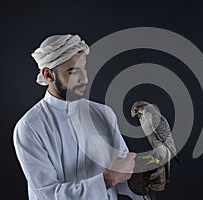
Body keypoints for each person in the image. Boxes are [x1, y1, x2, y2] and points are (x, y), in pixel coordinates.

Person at [13, 34, 166, 200]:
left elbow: (122, 175)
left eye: (84, 69)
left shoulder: (103, 114)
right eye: (73, 72)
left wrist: (142, 179)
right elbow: (47, 195)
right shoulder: (29, 127)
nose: (84, 79)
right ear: (49, 75)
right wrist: (108, 179)